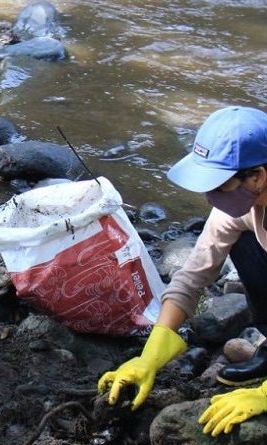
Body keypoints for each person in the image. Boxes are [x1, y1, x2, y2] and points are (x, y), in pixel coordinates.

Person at [98, 106, 267, 436]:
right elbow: (193, 276)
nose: (209, 197)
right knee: (242, 244)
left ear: (257, 176)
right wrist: (150, 357)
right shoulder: (246, 205)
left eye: (219, 184)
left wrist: (265, 395)